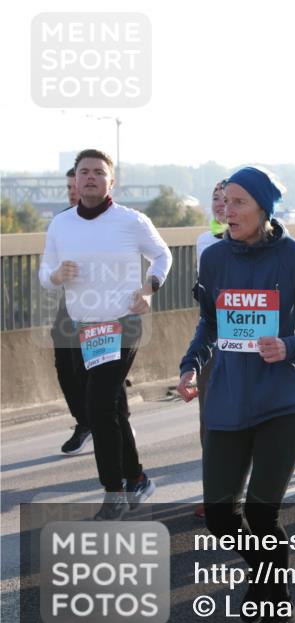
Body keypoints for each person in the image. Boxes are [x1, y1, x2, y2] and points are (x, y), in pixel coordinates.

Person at [177, 166, 295, 623]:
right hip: (226, 403)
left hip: (279, 406)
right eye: (224, 202)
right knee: (220, 516)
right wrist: (191, 363)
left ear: (263, 209)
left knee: (262, 512)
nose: (227, 211)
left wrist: (289, 348)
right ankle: (267, 576)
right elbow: (208, 324)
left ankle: (279, 613)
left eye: (238, 203)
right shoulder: (213, 260)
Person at [39, 149, 172, 519]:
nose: (91, 177)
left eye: (99, 172)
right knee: (110, 407)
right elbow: (44, 273)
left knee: (99, 404)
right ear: (75, 181)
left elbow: (163, 256)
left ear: (111, 181)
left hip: (123, 322)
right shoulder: (61, 225)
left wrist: (149, 288)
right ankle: (138, 477)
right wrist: (55, 277)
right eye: (84, 172)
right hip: (85, 326)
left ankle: (113, 492)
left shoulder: (131, 221)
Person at [190, 179, 229, 519]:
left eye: (228, 198)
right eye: (215, 198)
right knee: (210, 417)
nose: (220, 204)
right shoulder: (204, 241)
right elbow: (204, 296)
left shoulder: (273, 237)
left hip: (253, 341)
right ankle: (214, 492)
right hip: (215, 339)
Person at [50, 166, 92, 456]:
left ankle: (117, 421)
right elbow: (49, 264)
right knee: (65, 365)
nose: (73, 191)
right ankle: (84, 422)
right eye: (68, 187)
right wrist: (56, 273)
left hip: (103, 303)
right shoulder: (61, 222)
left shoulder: (111, 220)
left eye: (75, 184)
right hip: (70, 302)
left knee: (102, 364)